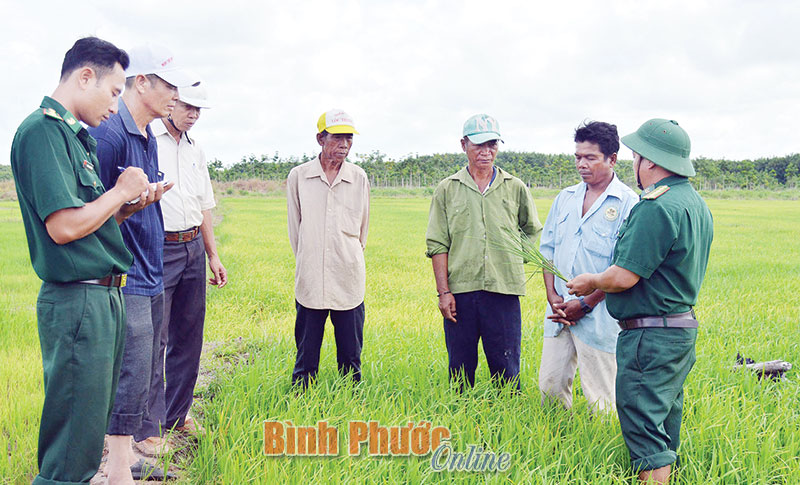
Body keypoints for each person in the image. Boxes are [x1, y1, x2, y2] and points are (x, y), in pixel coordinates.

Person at [9, 36, 156, 485]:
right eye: (114, 92)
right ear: (85, 75)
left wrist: (126, 206)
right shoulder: (42, 132)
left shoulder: (75, 138)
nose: (117, 105)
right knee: (71, 449)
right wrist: (119, 192)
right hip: (78, 302)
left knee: (88, 434)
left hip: (101, 296)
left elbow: (85, 220)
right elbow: (63, 227)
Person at [567, 119, 713, 484]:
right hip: (680, 330)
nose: (635, 164)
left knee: (644, 424)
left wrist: (592, 281)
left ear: (648, 160)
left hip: (650, 336)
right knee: (664, 420)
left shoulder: (655, 206)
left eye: (636, 156)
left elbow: (623, 276)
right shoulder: (695, 203)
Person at [90, 43, 198, 483]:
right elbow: (90, 210)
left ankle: (125, 461)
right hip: (124, 273)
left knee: (147, 365)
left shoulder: (145, 136)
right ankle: (113, 469)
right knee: (130, 368)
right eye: (169, 85)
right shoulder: (110, 134)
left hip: (151, 270)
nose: (176, 95)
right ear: (141, 83)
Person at [425, 114, 542, 389]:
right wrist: (444, 293)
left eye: (492, 144)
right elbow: (438, 243)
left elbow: (531, 228)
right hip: (461, 293)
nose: (486, 152)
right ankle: (462, 419)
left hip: (504, 291)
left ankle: (505, 421)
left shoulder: (514, 187)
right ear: (464, 145)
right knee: (460, 370)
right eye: (478, 145)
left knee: (507, 369)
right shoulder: (447, 189)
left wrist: (514, 259)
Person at [538, 121, 638, 413]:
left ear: (612, 159)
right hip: (558, 312)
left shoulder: (628, 204)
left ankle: (602, 453)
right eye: (578, 157)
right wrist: (552, 296)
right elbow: (548, 250)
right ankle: (554, 444)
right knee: (550, 386)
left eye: (590, 157)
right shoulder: (565, 198)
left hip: (600, 315)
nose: (581, 164)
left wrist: (586, 303)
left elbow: (624, 267)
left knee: (601, 395)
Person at [154, 83, 227, 435]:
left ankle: (176, 416)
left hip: (193, 247)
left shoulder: (197, 149)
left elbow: (205, 205)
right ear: (170, 104)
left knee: (189, 335)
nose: (194, 114)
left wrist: (213, 255)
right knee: (155, 338)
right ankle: (148, 425)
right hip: (159, 248)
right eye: (188, 106)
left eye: (199, 110)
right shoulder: (149, 141)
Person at [286, 109, 370, 387]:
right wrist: (310, 258)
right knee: (306, 350)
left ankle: (350, 396)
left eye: (348, 138)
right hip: (311, 276)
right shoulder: (299, 176)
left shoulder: (359, 178)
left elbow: (362, 231)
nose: (344, 144)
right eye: (337, 138)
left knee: (351, 352)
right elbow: (295, 228)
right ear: (320, 139)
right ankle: (302, 395)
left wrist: (348, 256)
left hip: (348, 276)